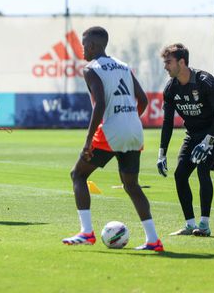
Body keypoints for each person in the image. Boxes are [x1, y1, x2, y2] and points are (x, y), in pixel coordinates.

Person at [62, 26, 164, 251]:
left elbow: (100, 103)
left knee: (77, 174)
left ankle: (86, 233)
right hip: (134, 131)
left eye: (83, 45)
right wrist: (128, 119)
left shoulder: (91, 69)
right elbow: (143, 100)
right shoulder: (124, 66)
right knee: (132, 185)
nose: (82, 49)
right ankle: (153, 239)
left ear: (93, 46)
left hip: (111, 131)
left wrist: (88, 140)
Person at [158, 43, 214, 237]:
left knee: (203, 168)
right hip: (193, 134)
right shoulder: (171, 88)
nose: (165, 67)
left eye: (168, 62)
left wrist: (208, 141)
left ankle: (204, 225)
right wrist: (162, 152)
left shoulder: (204, 80)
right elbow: (167, 122)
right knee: (180, 174)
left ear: (182, 62)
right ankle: (190, 225)